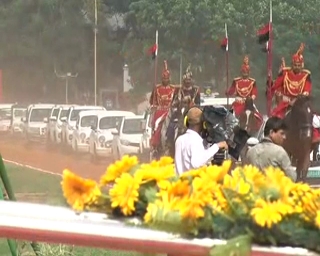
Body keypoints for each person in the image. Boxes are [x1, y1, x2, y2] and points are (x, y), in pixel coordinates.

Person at [174, 107, 228, 175]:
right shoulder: (196, 140)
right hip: (192, 184)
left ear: (186, 122)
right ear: (203, 124)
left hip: (180, 183)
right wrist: (217, 146)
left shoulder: (179, 139)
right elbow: (197, 163)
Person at [246, 116, 297, 181]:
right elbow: (292, 177)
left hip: (255, 190)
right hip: (273, 190)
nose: (284, 137)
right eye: (282, 133)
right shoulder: (280, 152)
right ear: (271, 133)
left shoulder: (250, 152)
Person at [271, 43, 311, 118]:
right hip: (285, 103)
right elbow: (276, 86)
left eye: (299, 65)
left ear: (302, 65)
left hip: (300, 103)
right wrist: (275, 79)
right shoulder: (285, 73)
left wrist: (298, 99)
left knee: (312, 120)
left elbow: (307, 90)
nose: (297, 67)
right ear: (292, 64)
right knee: (275, 118)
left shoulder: (306, 76)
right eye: (295, 65)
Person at [226, 55, 263, 122]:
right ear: (241, 72)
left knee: (258, 115)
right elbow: (231, 91)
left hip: (249, 104)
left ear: (249, 72)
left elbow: (254, 93)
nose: (245, 74)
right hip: (238, 103)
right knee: (230, 116)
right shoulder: (236, 81)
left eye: (246, 72)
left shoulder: (252, 82)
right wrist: (227, 92)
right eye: (244, 72)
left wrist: (249, 100)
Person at [149, 60, 176, 148]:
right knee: (157, 125)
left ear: (169, 78)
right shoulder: (157, 88)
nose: (165, 80)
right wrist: (154, 106)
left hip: (171, 112)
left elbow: (176, 100)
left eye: (167, 78)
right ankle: (156, 144)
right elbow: (152, 101)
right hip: (160, 111)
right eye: (164, 78)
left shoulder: (173, 89)